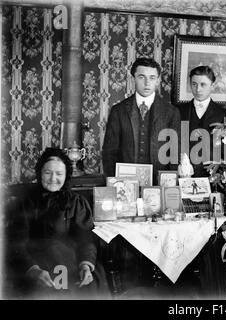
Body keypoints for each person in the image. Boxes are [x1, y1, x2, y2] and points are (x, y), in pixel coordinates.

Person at [6, 148, 108, 299]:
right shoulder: (25, 202)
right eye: (48, 173)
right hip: (36, 264)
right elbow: (16, 242)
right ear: (40, 173)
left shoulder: (76, 202)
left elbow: (85, 239)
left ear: (66, 176)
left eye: (59, 174)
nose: (53, 178)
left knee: (90, 286)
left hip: (73, 262)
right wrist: (33, 270)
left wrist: (85, 265)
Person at [102, 57, 180, 184]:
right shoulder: (118, 110)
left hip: (159, 184)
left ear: (158, 80)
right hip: (125, 184)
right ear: (133, 79)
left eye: (152, 78)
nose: (147, 83)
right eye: (141, 77)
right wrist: (115, 183)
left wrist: (168, 184)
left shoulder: (171, 112)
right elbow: (109, 153)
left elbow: (174, 154)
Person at [178, 66, 226, 177]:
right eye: (194, 84)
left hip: (212, 176)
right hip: (184, 174)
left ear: (212, 86)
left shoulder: (222, 114)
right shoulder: (179, 111)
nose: (198, 89)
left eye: (203, 85)